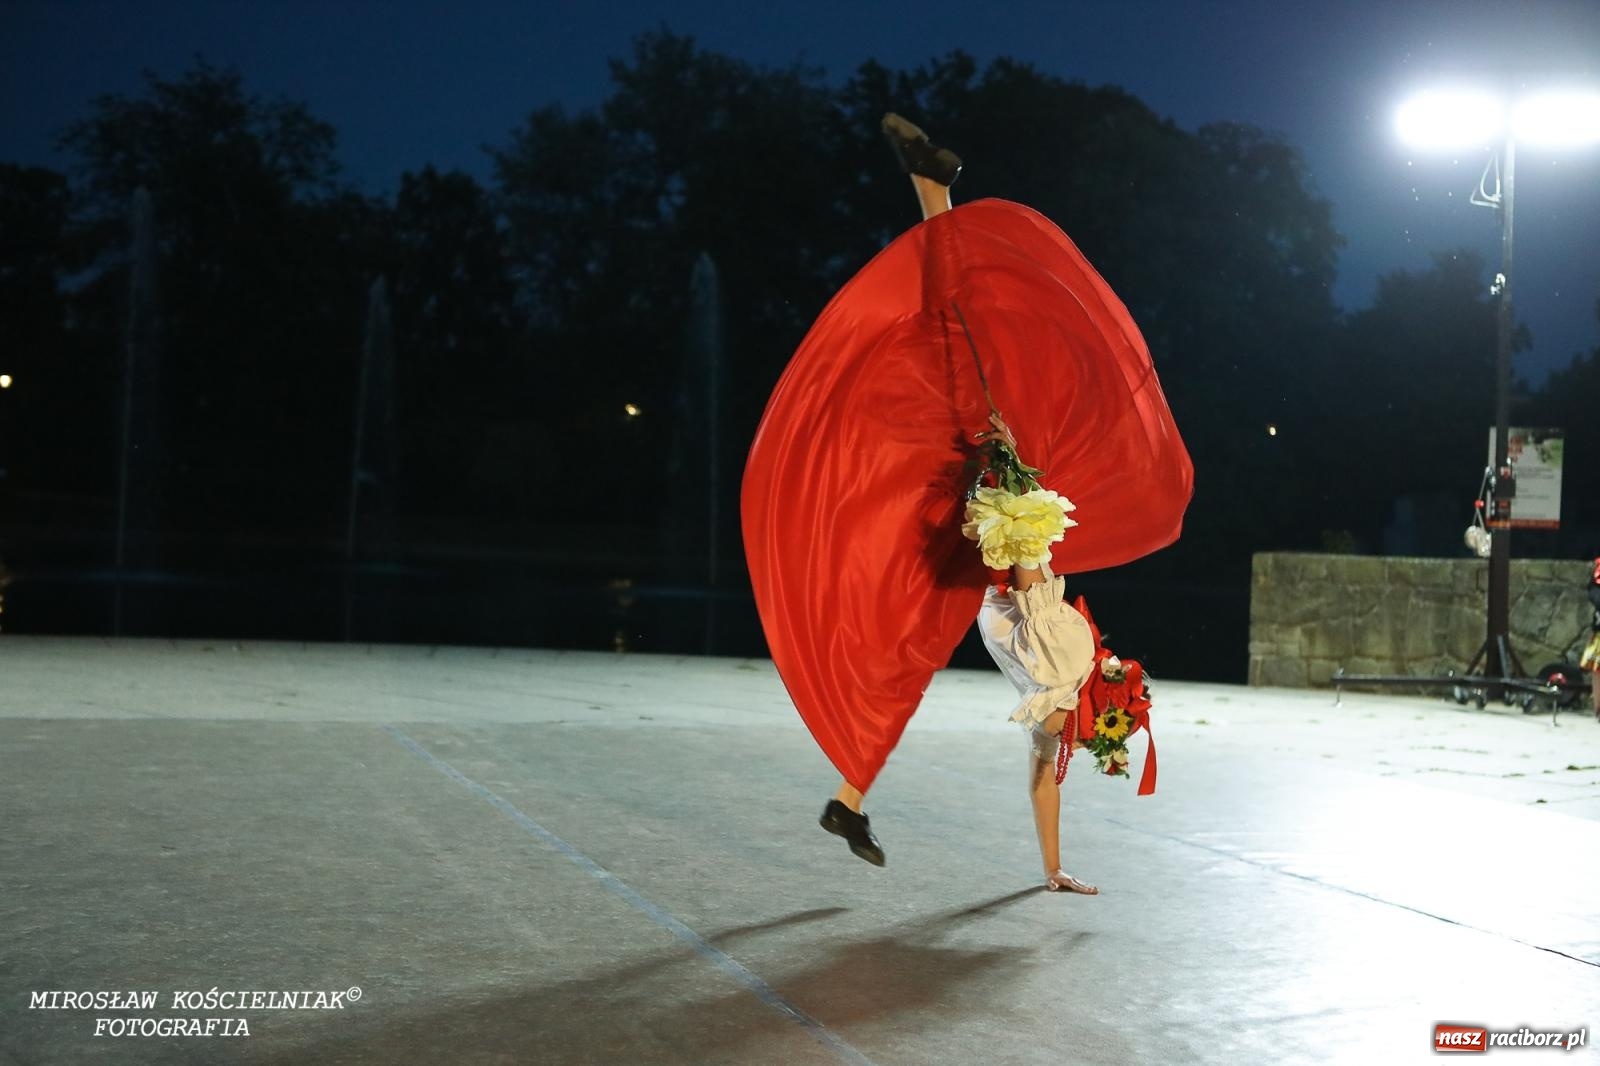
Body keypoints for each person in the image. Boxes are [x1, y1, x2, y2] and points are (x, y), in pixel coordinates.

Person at [819, 115, 1106, 893]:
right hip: (987, 547)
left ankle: (932, 192)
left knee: (957, 336)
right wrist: (1054, 870)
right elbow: (1044, 779)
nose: (1080, 744)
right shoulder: (1057, 703)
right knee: (959, 332)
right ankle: (848, 797)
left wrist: (1009, 472)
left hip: (991, 528)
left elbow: (1025, 565)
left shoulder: (1062, 677)